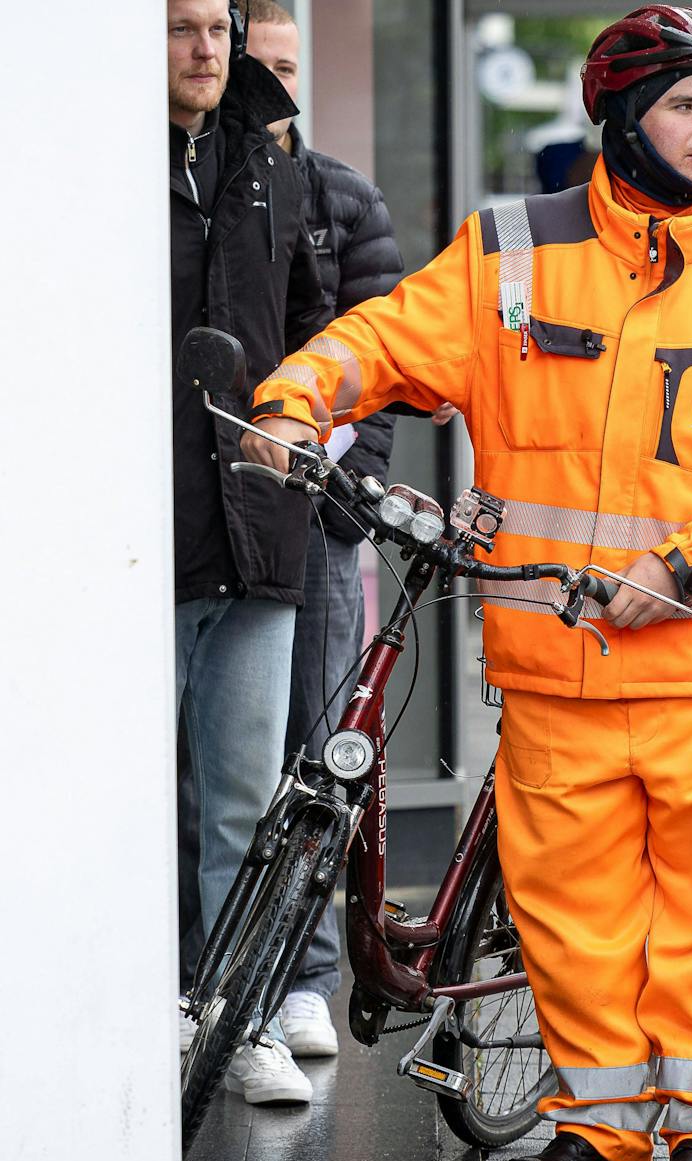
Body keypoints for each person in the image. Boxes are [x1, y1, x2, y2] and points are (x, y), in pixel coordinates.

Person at [247, 4, 692, 1161]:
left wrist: (690, 561)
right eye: (684, 106)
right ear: (620, 116)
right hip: (554, 669)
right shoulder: (508, 255)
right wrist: (294, 398)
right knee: (571, 914)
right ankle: (601, 1123)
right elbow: (384, 338)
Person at [189, 0, 405, 1063]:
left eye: (275, 65)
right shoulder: (217, 188)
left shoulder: (337, 195)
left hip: (310, 519)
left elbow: (365, 359)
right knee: (224, 772)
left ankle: (302, 978)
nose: (257, 85)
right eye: (247, 62)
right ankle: (220, 983)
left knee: (314, 752)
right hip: (231, 518)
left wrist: (340, 492)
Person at [168, 0, 329, 1104]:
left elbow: (320, 336)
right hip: (145, 538)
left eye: (216, 29)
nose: (206, 50)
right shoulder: (87, 167)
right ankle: (136, 1010)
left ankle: (241, 1021)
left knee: (244, 802)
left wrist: (305, 429)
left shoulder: (272, 167)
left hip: (259, 535)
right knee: (131, 799)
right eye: (180, 30)